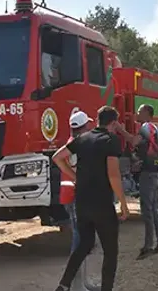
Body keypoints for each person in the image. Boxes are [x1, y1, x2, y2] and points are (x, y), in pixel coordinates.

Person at [53, 106, 130, 291]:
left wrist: (75, 176)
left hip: (82, 201)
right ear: (112, 123)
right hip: (102, 202)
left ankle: (63, 285)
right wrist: (124, 204)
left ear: (96, 120)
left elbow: (57, 157)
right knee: (110, 251)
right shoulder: (110, 140)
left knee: (84, 244)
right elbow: (113, 175)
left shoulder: (83, 138)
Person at [116, 104, 158, 260]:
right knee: (154, 209)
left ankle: (148, 246)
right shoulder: (155, 129)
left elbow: (133, 140)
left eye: (138, 111)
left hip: (148, 174)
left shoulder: (146, 127)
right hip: (154, 172)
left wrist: (119, 129)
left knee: (147, 211)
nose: (136, 114)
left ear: (146, 113)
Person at [59, 111, 94, 291]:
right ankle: (77, 285)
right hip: (75, 197)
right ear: (84, 127)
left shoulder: (72, 143)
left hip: (72, 195)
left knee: (83, 240)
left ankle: (84, 283)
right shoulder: (76, 146)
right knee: (79, 242)